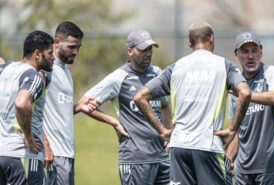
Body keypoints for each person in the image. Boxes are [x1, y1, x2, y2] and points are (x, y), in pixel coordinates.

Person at [134, 21, 251, 185]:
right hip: (208, 146)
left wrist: (161, 130)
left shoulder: (175, 68)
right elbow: (245, 93)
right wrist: (232, 129)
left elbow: (140, 97)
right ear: (212, 39)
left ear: (189, 42)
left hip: (178, 147)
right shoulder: (224, 66)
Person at [82, 29, 172, 185]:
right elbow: (85, 102)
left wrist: (168, 136)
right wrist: (113, 122)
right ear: (130, 51)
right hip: (135, 159)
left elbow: (165, 105)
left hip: (162, 159)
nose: (148, 53)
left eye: (150, 49)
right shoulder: (119, 77)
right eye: (143, 49)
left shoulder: (158, 73)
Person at [226, 31, 274, 185]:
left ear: (261, 53)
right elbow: (238, 130)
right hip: (243, 171)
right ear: (236, 55)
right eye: (245, 51)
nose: (250, 56)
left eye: (254, 51)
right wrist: (229, 158)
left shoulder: (273, 73)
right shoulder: (236, 85)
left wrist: (246, 95)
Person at [42, 21, 99, 185]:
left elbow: (57, 109)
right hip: (53, 155)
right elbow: (31, 110)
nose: (76, 52)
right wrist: (46, 147)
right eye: (72, 46)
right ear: (57, 42)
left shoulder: (65, 72)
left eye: (79, 47)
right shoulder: (46, 70)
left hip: (67, 154)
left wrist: (78, 107)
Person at [0, 30, 54, 185]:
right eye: (50, 53)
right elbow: (21, 103)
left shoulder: (5, 69)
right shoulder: (33, 76)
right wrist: (29, 138)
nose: (53, 57)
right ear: (37, 53)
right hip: (22, 155)